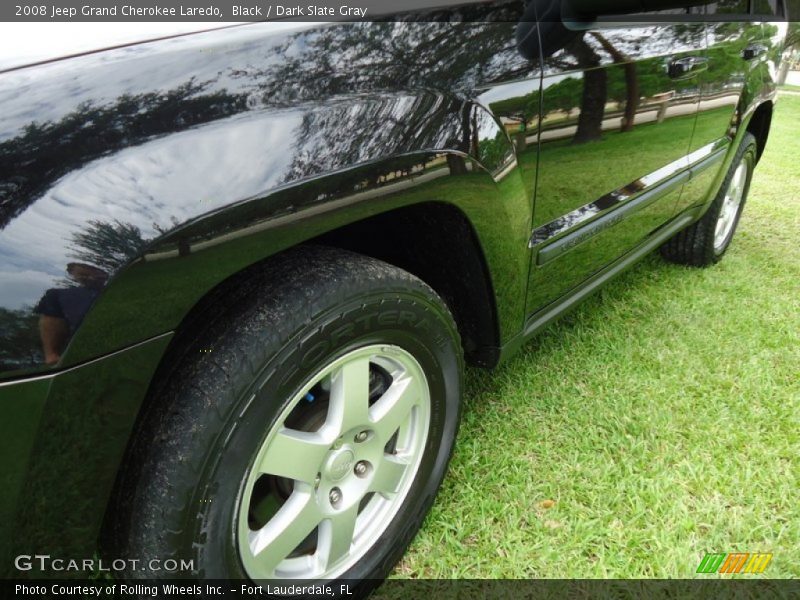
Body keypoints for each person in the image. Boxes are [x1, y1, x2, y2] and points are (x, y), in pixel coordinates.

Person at [34, 263, 108, 365]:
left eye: (89, 271)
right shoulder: (58, 295)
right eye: (81, 274)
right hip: (81, 356)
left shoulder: (119, 289)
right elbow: (50, 320)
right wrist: (51, 354)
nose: (85, 277)